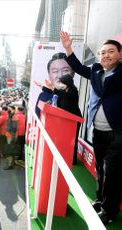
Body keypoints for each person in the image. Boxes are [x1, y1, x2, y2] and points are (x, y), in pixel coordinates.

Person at [60, 31, 122, 224]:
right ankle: (100, 200)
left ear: (120, 54)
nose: (106, 56)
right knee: (100, 169)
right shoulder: (95, 70)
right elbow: (78, 67)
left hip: (118, 133)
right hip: (97, 130)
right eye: (102, 53)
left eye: (111, 51)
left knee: (112, 173)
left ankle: (109, 211)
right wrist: (68, 48)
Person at [35, 52, 75, 118]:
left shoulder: (72, 93)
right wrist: (43, 87)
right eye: (55, 71)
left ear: (73, 74)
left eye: (65, 70)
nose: (60, 75)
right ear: (49, 75)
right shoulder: (44, 96)